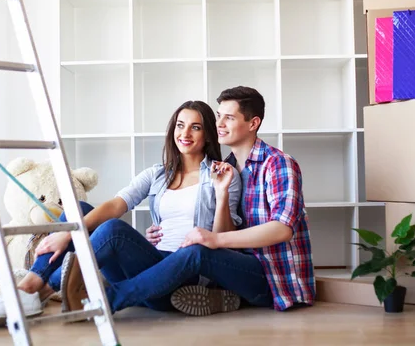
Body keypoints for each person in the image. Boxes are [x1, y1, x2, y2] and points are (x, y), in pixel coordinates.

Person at [0, 100, 242, 325]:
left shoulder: (221, 175)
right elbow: (116, 205)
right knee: (79, 211)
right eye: (180, 125)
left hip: (182, 273)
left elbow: (222, 240)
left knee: (114, 231)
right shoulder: (158, 174)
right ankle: (33, 287)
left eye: (195, 127)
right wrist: (68, 234)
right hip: (149, 263)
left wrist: (221, 195)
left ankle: (33, 290)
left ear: (207, 134)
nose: (185, 133)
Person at [63, 86, 315, 317]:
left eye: (229, 117)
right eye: (218, 116)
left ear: (253, 123)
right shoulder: (228, 168)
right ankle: (45, 282)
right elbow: (121, 204)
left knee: (190, 250)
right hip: (222, 268)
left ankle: (102, 298)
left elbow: (282, 229)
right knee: (80, 212)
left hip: (269, 276)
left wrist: (213, 237)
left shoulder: (277, 163)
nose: (219, 124)